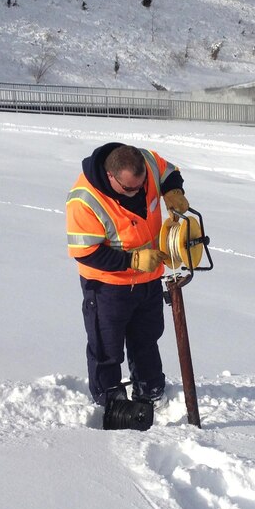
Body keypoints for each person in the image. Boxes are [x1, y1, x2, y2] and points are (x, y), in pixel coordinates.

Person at [66, 143, 189, 407]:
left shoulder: (147, 162)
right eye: (129, 188)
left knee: (146, 339)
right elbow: (85, 252)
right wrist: (132, 259)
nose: (137, 192)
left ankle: (151, 390)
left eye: (141, 185)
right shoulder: (84, 200)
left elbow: (170, 173)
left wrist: (173, 190)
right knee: (106, 348)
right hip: (108, 287)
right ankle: (110, 398)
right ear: (111, 177)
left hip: (149, 279)